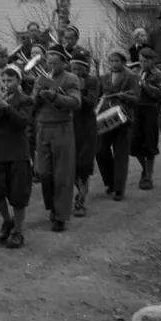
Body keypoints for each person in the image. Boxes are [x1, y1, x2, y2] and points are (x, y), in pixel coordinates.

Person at [0, 64, 34, 248]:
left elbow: (23, 122)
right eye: (3, 80)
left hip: (18, 152)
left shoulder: (25, 100)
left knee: (18, 195)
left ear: (18, 82)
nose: (6, 83)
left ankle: (18, 231)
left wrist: (6, 107)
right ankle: (6, 220)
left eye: (10, 80)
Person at [33, 44, 84, 232]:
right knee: (44, 173)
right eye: (49, 61)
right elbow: (33, 103)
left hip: (62, 128)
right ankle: (53, 207)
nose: (51, 64)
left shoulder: (71, 78)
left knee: (62, 174)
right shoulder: (42, 77)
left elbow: (76, 102)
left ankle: (61, 215)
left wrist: (55, 97)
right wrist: (38, 95)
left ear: (63, 62)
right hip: (43, 128)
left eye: (55, 62)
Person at [96, 50, 140, 201]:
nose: (114, 64)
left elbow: (136, 99)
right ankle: (111, 181)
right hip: (106, 119)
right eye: (111, 61)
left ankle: (119, 189)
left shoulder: (132, 77)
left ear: (123, 62)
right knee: (101, 150)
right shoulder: (103, 78)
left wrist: (125, 96)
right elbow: (97, 97)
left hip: (124, 119)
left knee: (121, 154)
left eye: (117, 61)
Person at [129, 48, 161, 190]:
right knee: (134, 143)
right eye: (141, 60)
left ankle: (148, 176)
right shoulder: (136, 72)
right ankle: (145, 168)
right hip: (137, 109)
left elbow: (160, 94)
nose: (143, 63)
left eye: (146, 61)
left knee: (150, 143)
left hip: (150, 109)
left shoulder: (158, 74)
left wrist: (145, 86)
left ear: (152, 61)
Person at [70, 50, 100, 216]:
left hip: (86, 126)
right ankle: (79, 194)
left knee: (83, 166)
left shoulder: (92, 80)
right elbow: (53, 87)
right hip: (71, 125)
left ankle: (80, 202)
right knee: (71, 165)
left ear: (86, 68)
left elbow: (91, 103)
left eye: (79, 69)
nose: (75, 72)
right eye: (73, 69)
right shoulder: (67, 79)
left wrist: (79, 90)